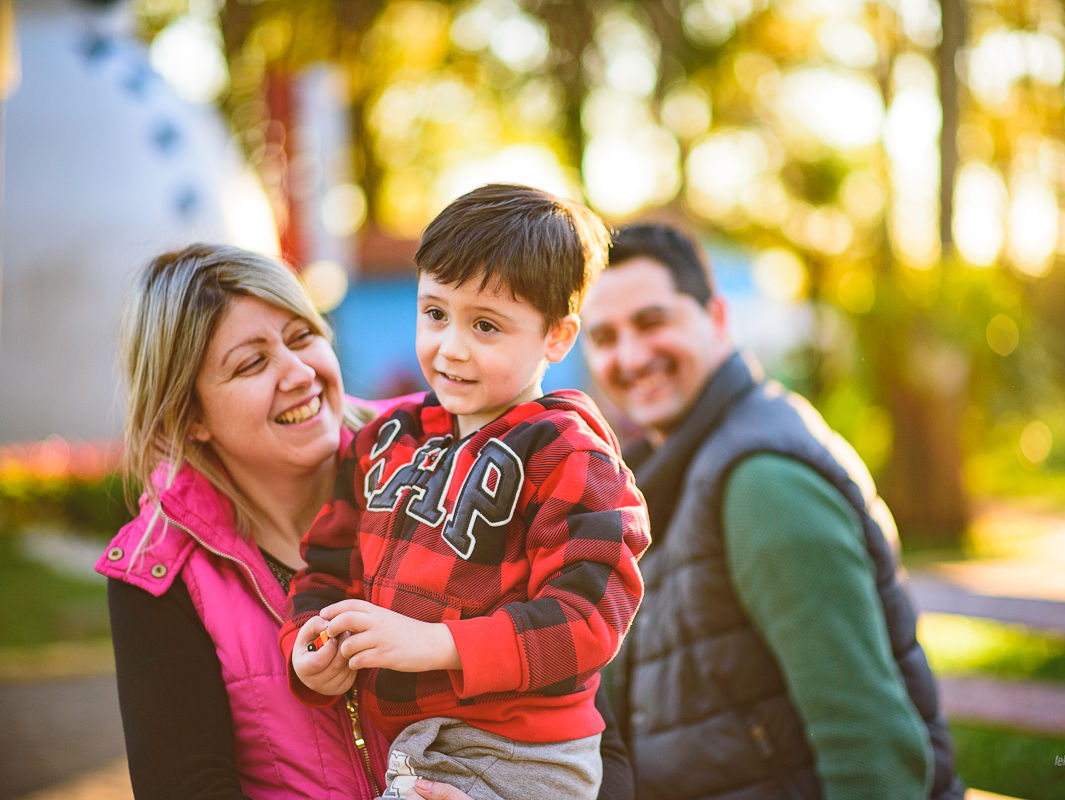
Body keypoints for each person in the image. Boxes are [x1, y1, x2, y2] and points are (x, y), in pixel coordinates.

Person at [95, 243, 635, 800]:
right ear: (191, 418)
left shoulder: (460, 456)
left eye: (302, 336)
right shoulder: (157, 574)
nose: (299, 372)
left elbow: (595, 737)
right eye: (251, 363)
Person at [279, 185, 651, 800]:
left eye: (485, 325)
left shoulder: (568, 451)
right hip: (408, 745)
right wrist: (308, 649)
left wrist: (439, 644)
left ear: (556, 338)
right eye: (435, 313)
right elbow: (324, 565)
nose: (451, 347)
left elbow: (589, 616)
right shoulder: (382, 441)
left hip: (523, 753)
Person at [580, 224, 967, 800]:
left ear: (716, 318)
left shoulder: (760, 481)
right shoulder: (654, 479)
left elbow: (868, 743)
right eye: (605, 336)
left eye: (653, 322)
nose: (632, 356)